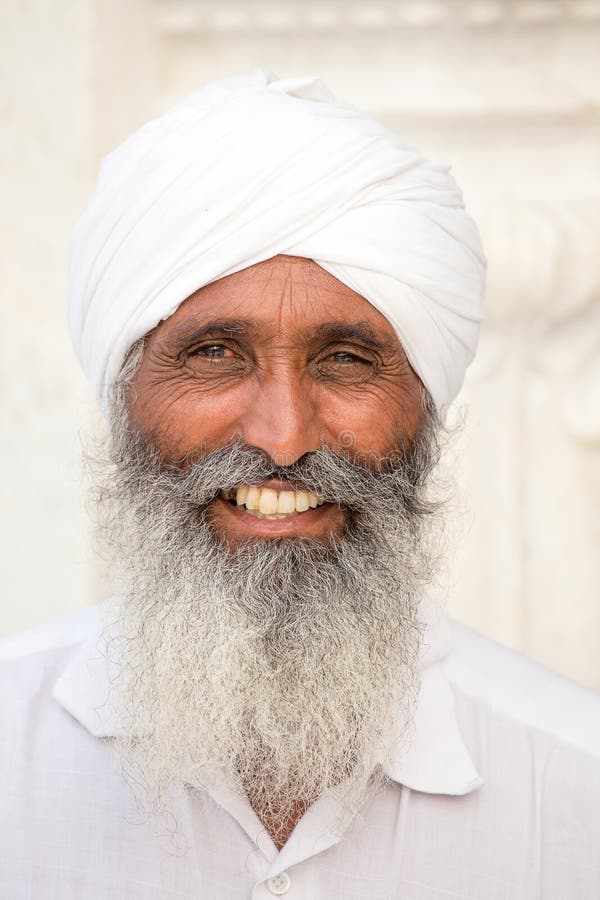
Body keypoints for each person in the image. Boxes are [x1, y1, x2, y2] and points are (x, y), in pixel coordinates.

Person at [1, 70, 599, 900]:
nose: (283, 435)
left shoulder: (575, 787)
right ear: (123, 394)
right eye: (215, 354)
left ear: (424, 407)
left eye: (346, 361)